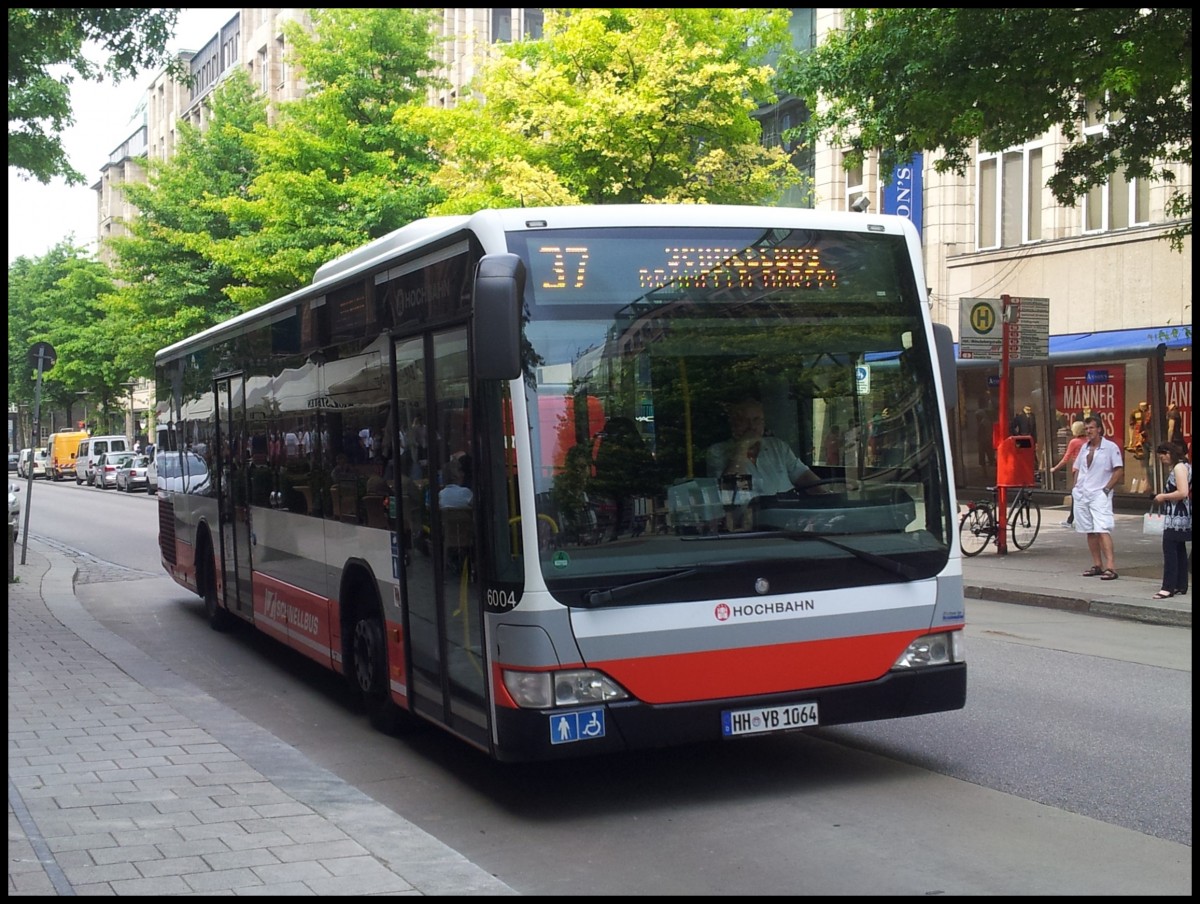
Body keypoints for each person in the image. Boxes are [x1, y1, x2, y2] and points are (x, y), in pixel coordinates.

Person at [707, 396, 829, 499]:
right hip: (754, 522)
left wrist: (830, 497)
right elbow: (734, 496)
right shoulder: (718, 452)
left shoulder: (777, 446)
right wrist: (742, 448)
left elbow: (805, 478)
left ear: (763, 423)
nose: (751, 427)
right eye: (743, 421)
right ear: (733, 424)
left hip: (790, 515)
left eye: (756, 420)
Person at [1072, 415, 1124, 581]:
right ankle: (1097, 564)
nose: (1089, 432)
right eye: (1086, 429)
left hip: (1099, 493)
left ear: (1100, 429)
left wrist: (1106, 489)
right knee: (1089, 530)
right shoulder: (1084, 448)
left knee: (1102, 528)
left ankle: (1110, 566)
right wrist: (1075, 489)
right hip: (1083, 493)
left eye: (1091, 428)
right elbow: (1078, 468)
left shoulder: (1110, 447)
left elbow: (1118, 470)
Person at [1151, 443, 1191, 599]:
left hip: (1176, 516)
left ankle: (1168, 587)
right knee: (1179, 549)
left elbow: (1182, 492)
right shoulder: (1184, 466)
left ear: (1170, 453)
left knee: (1169, 549)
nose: (1161, 458)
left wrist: (1163, 496)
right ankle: (1181, 584)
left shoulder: (1179, 468)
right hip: (1181, 515)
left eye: (1163, 454)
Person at [1049, 420, 1086, 525]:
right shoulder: (1088, 441)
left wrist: (1055, 468)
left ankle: (1071, 520)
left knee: (1076, 494)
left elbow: (1066, 458)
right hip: (1089, 471)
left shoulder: (1074, 442)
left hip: (1078, 471)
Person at [1125, 408, 1151, 493]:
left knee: (1151, 464)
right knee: (1143, 464)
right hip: (1140, 441)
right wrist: (1131, 441)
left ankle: (1150, 483)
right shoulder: (1135, 412)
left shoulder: (1151, 412)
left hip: (1152, 441)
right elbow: (1131, 427)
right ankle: (1146, 483)